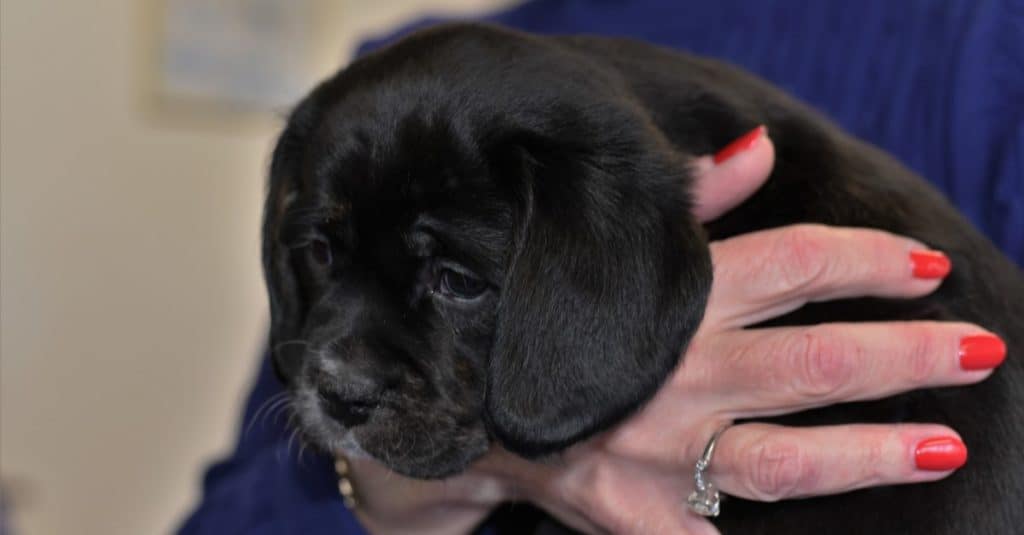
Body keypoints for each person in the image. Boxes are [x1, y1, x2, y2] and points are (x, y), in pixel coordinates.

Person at [179, 1, 1022, 533]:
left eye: (454, 277)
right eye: (322, 252)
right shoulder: (393, 85)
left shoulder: (979, 45)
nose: (339, 367)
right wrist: (377, 491)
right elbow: (227, 515)